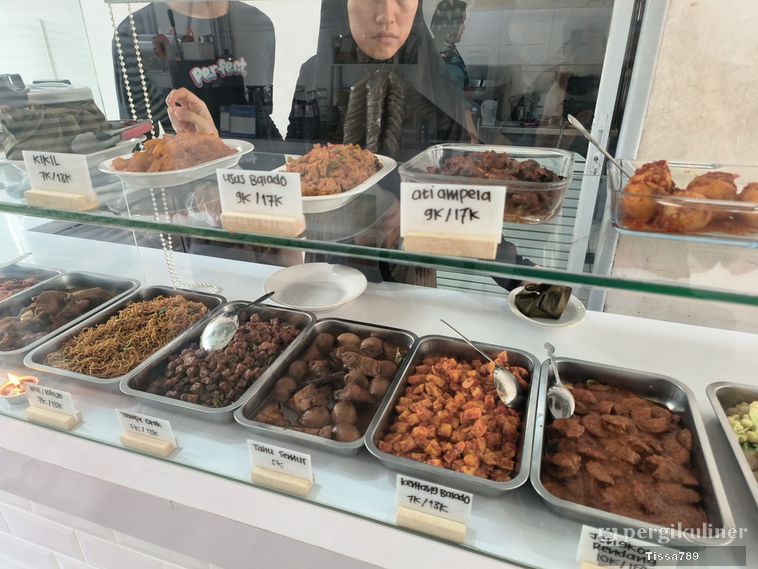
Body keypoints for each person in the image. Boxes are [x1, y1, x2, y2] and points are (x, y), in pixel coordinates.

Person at [113, 1, 275, 134]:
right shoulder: (132, 32)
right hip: (187, 159)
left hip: (256, 158)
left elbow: (261, 112)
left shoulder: (257, 23)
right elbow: (141, 139)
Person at [430, 0, 469, 90]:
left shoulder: (443, 46)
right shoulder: (448, 64)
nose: (464, 27)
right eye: (461, 22)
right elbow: (454, 95)